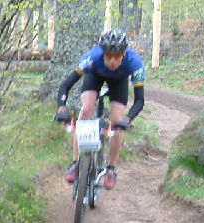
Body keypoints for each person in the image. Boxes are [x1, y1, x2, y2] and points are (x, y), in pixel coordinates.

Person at [53, 28, 146, 190]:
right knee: (86, 110)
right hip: (95, 76)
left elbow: (139, 100)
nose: (112, 61)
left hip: (119, 82)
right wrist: (61, 108)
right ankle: (75, 163)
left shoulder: (134, 62)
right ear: (102, 52)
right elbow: (65, 85)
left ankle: (111, 168)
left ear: (124, 54)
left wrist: (127, 119)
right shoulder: (92, 57)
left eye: (117, 57)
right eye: (108, 55)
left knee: (117, 120)